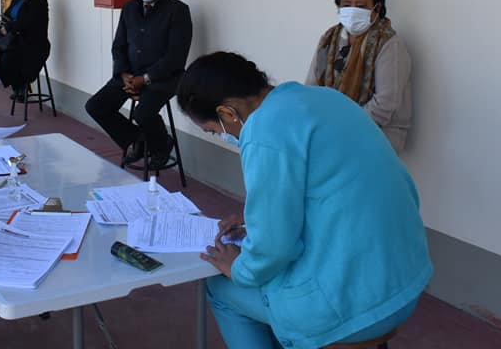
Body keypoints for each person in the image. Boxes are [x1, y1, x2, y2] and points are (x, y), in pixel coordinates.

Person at [177, 52, 432, 349]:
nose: (222, 136)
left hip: (355, 310)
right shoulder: (325, 98)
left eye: (213, 130)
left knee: (221, 289)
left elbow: (273, 248)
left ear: (228, 113)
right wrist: (253, 220)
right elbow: (332, 190)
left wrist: (239, 269)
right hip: (404, 282)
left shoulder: (264, 130)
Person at [85, 0, 192, 169]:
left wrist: (145, 78)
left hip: (164, 78)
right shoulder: (129, 8)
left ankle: (162, 146)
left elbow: (175, 56)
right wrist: (123, 73)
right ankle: (138, 140)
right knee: (95, 106)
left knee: (142, 113)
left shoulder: (178, 10)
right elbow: (119, 46)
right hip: (129, 76)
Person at [305, 0, 412, 151]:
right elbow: (312, 87)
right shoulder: (329, 39)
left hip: (378, 136)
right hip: (332, 131)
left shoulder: (389, 44)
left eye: (361, 6)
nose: (352, 11)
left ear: (376, 9)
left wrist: (341, 127)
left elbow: (385, 104)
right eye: (346, 5)